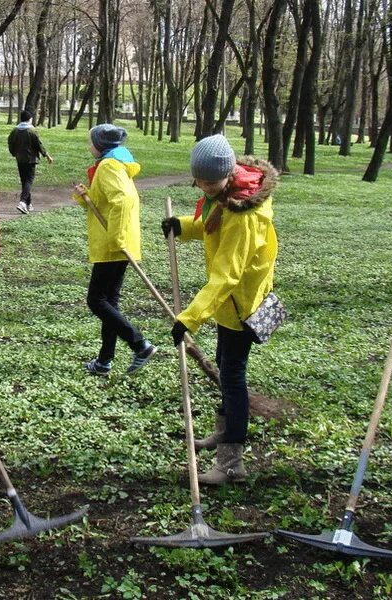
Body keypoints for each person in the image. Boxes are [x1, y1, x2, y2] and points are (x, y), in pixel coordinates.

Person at [162, 134, 278, 484]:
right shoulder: (226, 198)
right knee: (226, 367)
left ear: (229, 175)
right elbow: (213, 227)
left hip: (241, 306)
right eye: (201, 182)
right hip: (229, 306)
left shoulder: (243, 216)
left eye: (212, 182)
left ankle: (231, 463)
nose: (206, 188)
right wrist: (183, 225)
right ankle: (222, 430)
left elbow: (226, 276)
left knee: (233, 377)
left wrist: (189, 319)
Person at [73, 123, 156, 376]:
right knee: (109, 302)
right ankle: (104, 361)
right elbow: (104, 202)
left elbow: (123, 200)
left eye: (91, 142)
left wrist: (117, 237)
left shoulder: (108, 166)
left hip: (114, 244)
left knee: (96, 300)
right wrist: (84, 195)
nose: (90, 146)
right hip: (119, 242)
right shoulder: (115, 164)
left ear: (100, 145)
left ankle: (139, 344)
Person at [8, 109, 53, 214]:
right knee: (29, 181)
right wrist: (47, 155)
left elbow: (10, 142)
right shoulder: (32, 131)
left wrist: (14, 153)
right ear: (29, 119)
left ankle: (28, 204)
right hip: (31, 159)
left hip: (20, 159)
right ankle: (22, 202)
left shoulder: (15, 130)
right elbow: (39, 144)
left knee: (24, 181)